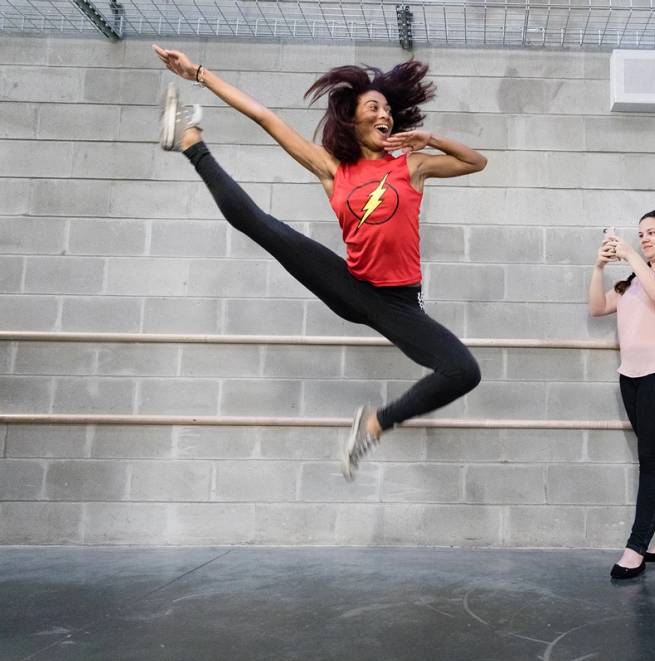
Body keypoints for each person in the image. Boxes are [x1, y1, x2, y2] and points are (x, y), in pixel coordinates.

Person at [153, 45, 486, 481]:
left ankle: (374, 425)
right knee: (258, 223)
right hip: (350, 286)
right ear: (353, 119)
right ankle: (192, 142)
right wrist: (197, 72)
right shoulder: (334, 171)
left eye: (387, 108)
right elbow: (265, 117)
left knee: (463, 371)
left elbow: (476, 162)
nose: (384, 114)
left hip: (398, 303)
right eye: (373, 106)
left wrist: (431, 139)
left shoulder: (413, 167)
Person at [587, 210, 655, 580]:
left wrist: (632, 254)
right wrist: (600, 266)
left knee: (651, 461)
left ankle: (635, 548)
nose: (644, 238)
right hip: (632, 377)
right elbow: (597, 307)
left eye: (651, 233)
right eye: (640, 234)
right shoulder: (634, 282)